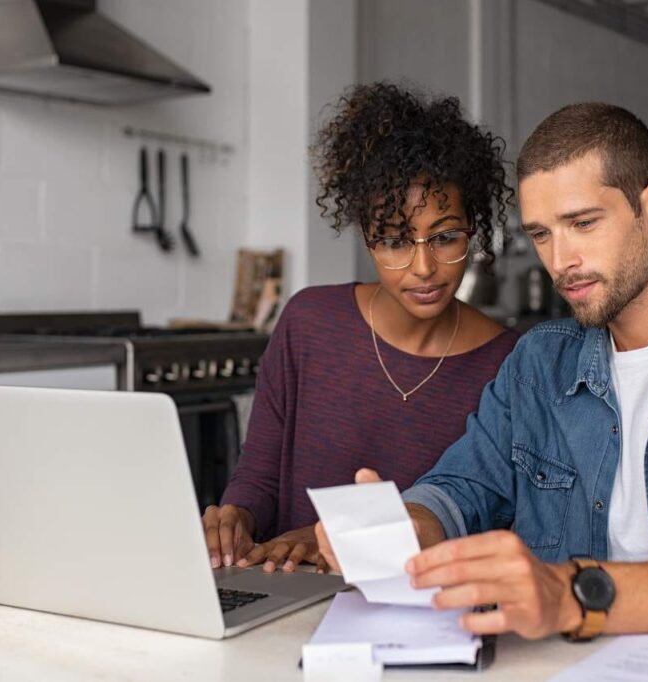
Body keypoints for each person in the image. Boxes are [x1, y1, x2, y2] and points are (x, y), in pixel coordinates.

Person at [317, 102, 648, 640]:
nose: (560, 260)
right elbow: (462, 487)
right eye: (542, 233)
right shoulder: (537, 363)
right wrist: (406, 525)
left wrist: (574, 595)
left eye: (582, 223)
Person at [202, 82, 519, 573]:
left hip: (419, 614)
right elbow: (260, 476)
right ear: (367, 240)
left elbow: (488, 518)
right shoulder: (309, 323)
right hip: (285, 595)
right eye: (394, 241)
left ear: (473, 230)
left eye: (445, 237)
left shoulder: (508, 363)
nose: (423, 268)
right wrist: (235, 518)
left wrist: (334, 539)